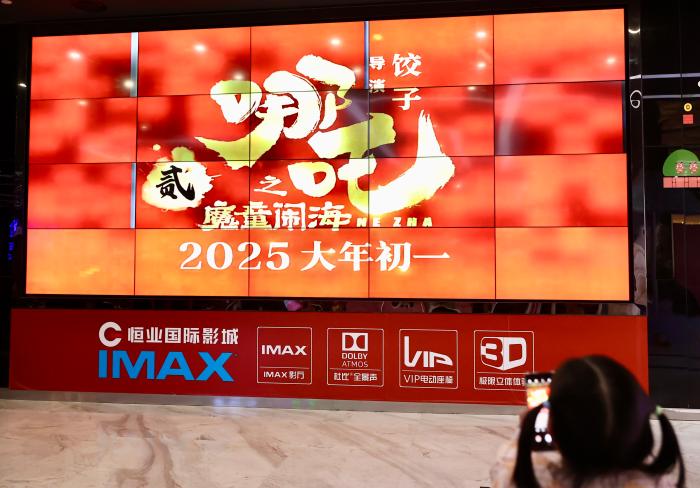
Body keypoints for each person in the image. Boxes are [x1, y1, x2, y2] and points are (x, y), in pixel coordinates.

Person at [490, 356, 686, 487]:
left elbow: (507, 464)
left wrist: (522, 431)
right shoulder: (660, 483)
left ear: (552, 430)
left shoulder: (521, 478)